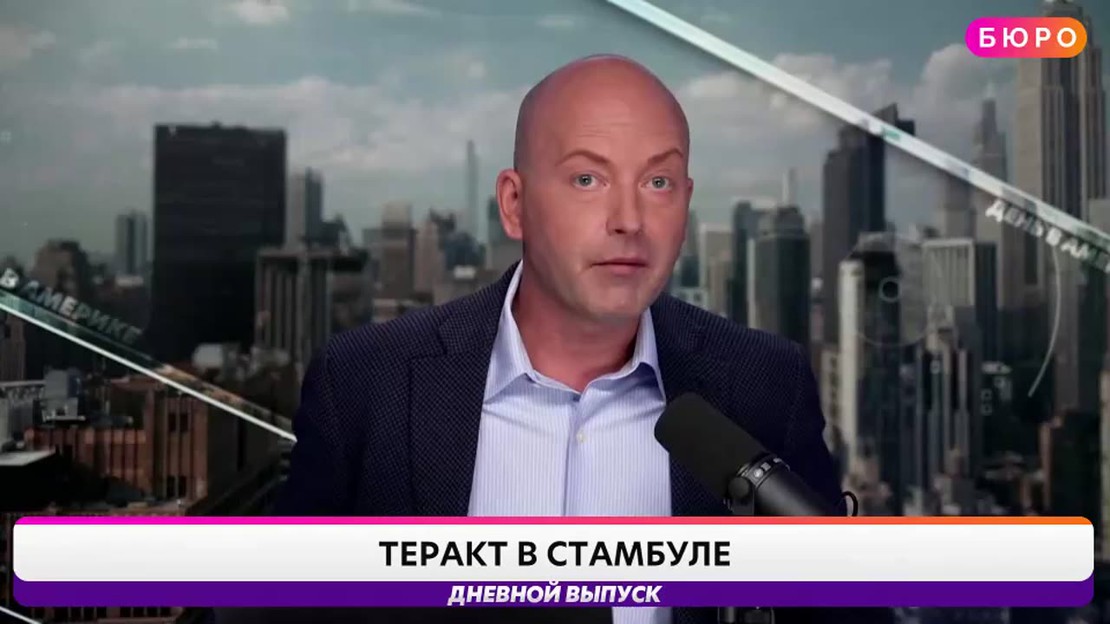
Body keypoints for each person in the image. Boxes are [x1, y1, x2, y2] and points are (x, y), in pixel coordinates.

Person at [221, 55, 890, 624]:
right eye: (587, 179)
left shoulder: (764, 384)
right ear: (514, 205)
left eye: (657, 182)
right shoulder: (367, 383)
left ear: (686, 204)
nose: (628, 220)